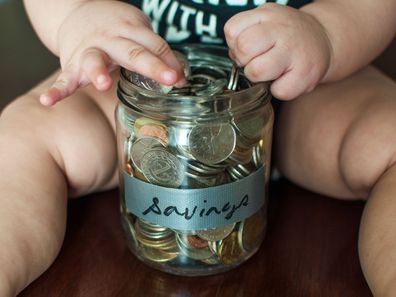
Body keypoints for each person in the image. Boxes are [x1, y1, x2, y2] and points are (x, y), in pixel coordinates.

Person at [0, 0, 395, 295]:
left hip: (306, 83)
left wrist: (326, 30)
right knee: (24, 134)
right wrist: (77, 16)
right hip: (136, 93)